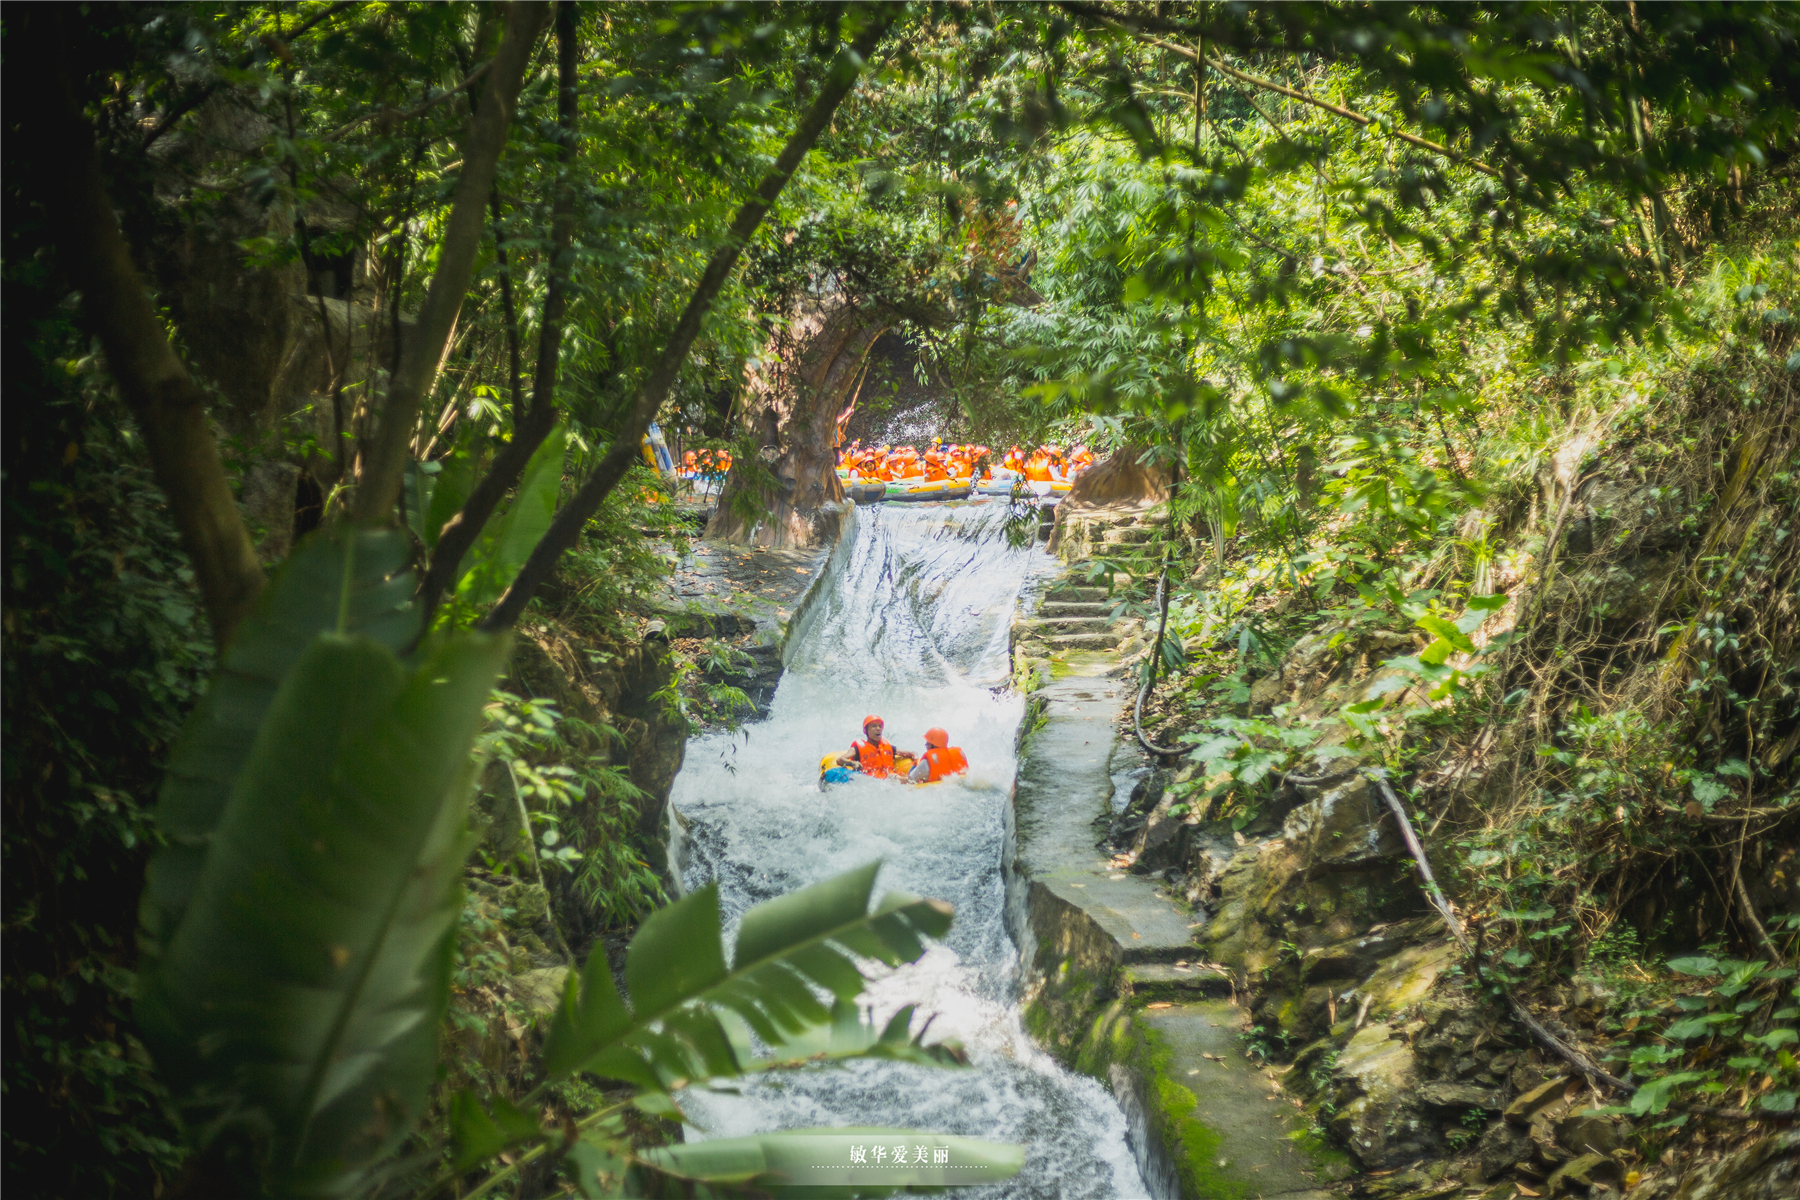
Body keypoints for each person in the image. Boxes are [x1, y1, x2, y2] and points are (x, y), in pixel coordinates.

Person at [836, 714, 910, 779]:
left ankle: (908, 780)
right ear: (865, 730)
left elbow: (909, 753)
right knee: (892, 777)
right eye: (874, 726)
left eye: (880, 726)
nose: (878, 728)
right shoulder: (857, 749)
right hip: (870, 781)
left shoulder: (888, 747)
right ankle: (906, 780)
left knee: (891, 777)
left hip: (889, 779)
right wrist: (853, 763)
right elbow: (840, 760)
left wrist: (914, 755)